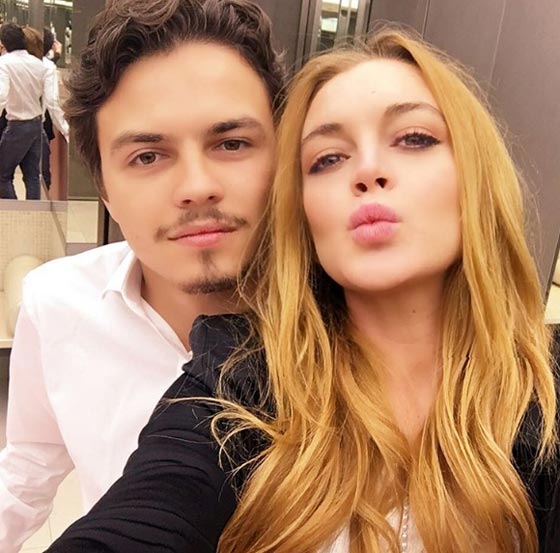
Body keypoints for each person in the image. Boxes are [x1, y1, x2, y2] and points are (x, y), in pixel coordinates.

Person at [44, 29, 559, 553]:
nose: (368, 170)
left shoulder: (545, 388)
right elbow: (159, 498)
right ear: (300, 206)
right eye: (328, 159)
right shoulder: (239, 377)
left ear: (476, 174)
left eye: (414, 138)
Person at [0, 0, 284, 551]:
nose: (196, 187)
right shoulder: (57, 303)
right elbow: (29, 465)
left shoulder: (359, 320)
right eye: (148, 156)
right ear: (105, 189)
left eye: (231, 144)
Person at [0, 22, 56, 200]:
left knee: (2, 175)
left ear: (3, 42)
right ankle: (34, 210)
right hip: (36, 124)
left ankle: (14, 209)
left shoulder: (4, 63)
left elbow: (1, 95)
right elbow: (49, 98)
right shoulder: (39, 64)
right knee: (32, 175)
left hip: (17, 124)